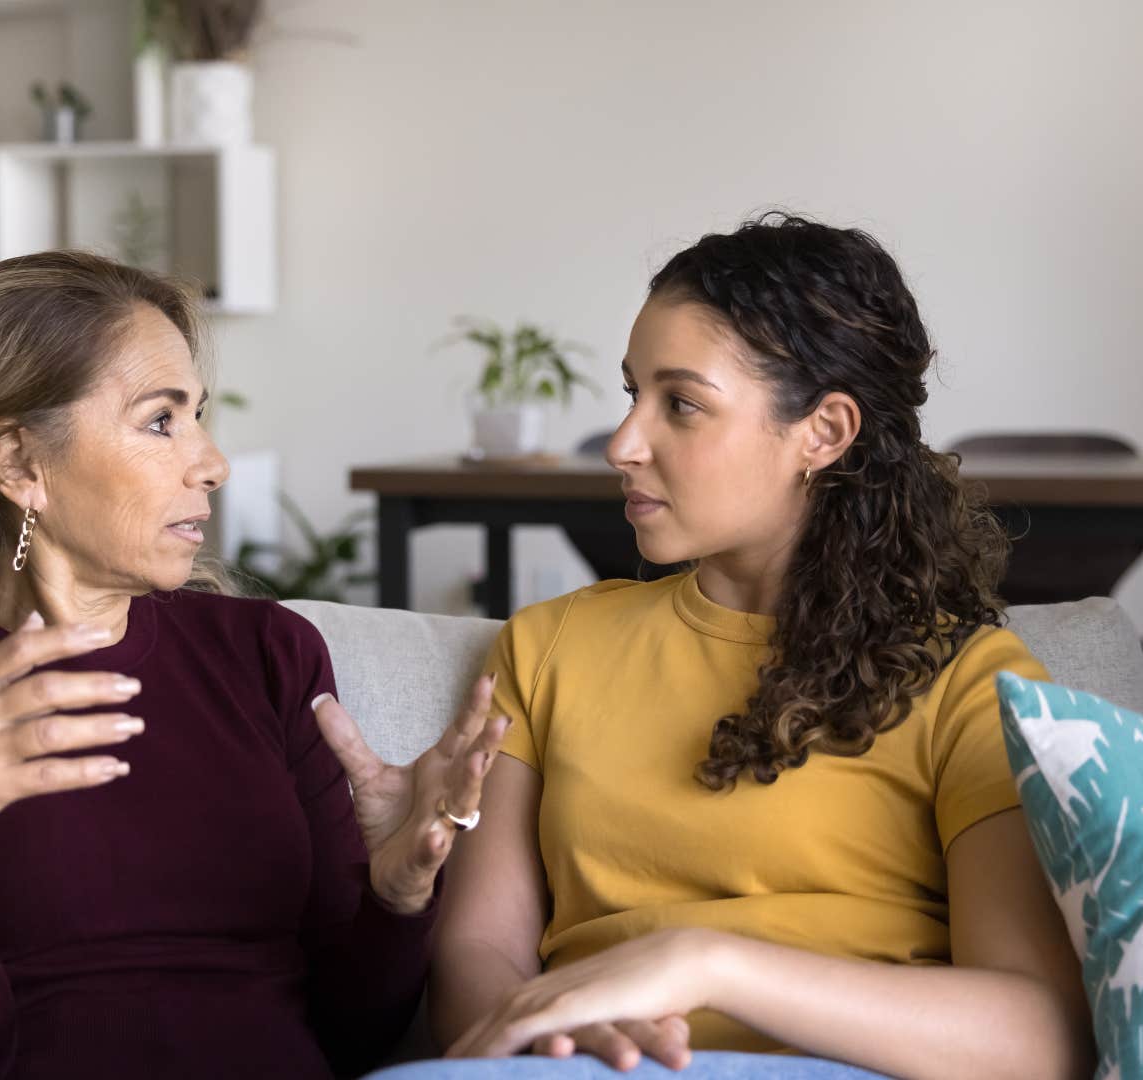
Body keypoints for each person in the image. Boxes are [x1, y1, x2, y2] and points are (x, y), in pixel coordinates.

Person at [0, 250, 507, 1079]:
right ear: (20, 464)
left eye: (197, 415)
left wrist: (397, 896)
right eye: (161, 421)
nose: (212, 463)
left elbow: (347, 1038)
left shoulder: (268, 654)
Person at [409, 215, 1093, 1079]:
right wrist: (552, 1033)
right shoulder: (549, 648)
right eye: (632, 395)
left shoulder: (967, 684)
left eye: (682, 405)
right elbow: (475, 955)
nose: (624, 445)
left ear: (824, 432)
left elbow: (1039, 1037)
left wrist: (708, 964)